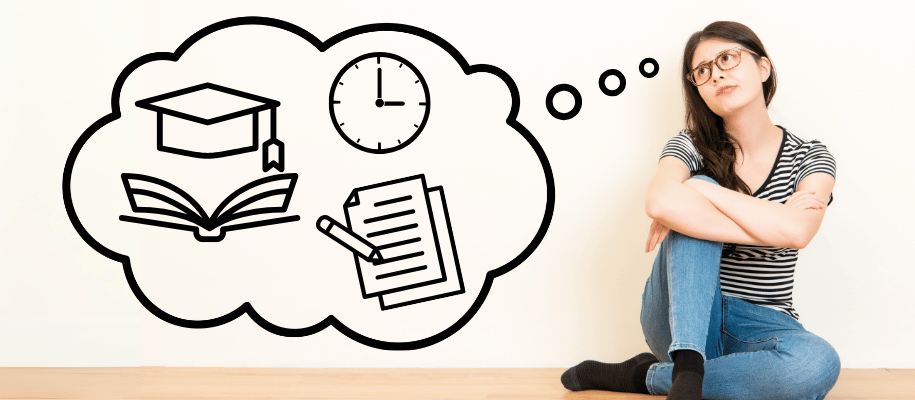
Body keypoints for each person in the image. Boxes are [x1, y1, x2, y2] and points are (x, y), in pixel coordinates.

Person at [560, 21, 841, 400]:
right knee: (697, 194)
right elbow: (659, 201)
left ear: (763, 67)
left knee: (817, 363)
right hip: (682, 313)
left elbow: (799, 232)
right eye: (703, 71)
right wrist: (772, 224)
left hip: (763, 323)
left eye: (727, 58)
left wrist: (700, 191)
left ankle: (647, 376)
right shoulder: (689, 145)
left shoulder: (810, 156)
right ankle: (688, 364)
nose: (717, 74)